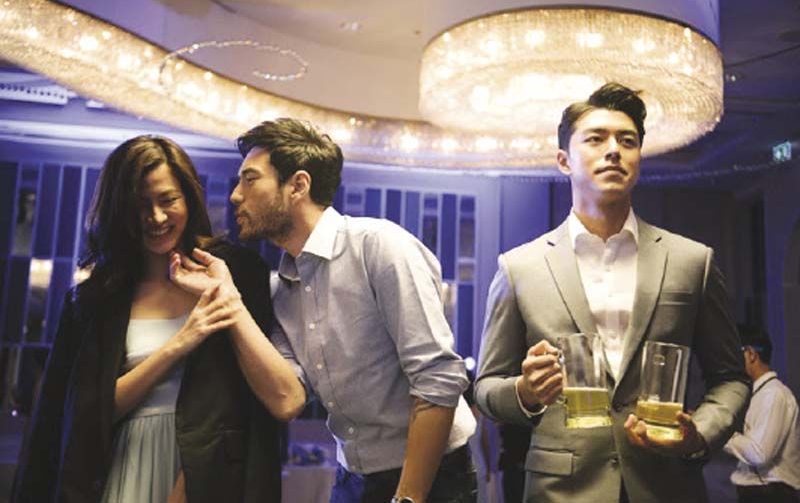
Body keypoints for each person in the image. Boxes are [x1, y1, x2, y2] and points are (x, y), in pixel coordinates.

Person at [175, 117, 477, 503]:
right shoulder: (283, 288)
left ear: (298, 185)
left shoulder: (379, 246)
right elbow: (286, 399)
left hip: (433, 476)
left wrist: (407, 499)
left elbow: (438, 378)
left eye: (250, 179)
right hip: (352, 477)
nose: (235, 195)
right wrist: (227, 300)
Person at [474, 83, 750, 503]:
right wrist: (525, 393)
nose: (614, 151)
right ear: (564, 161)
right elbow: (486, 387)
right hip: (561, 489)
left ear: (639, 158)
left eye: (628, 141)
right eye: (596, 139)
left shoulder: (692, 261)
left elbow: (730, 378)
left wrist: (699, 434)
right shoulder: (519, 267)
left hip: (666, 484)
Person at [13, 135, 304, 503]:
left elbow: (251, 403)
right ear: (119, 209)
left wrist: (192, 481)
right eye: (140, 205)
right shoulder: (94, 299)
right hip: (119, 468)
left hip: (210, 473)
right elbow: (86, 411)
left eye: (168, 200)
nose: (156, 217)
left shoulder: (236, 273)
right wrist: (181, 342)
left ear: (189, 198)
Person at [724, 327, 800, 502]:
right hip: (761, 493)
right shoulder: (761, 393)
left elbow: (758, 454)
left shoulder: (773, 394)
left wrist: (721, 432)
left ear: (751, 354)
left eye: (734, 353)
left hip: (770, 494)